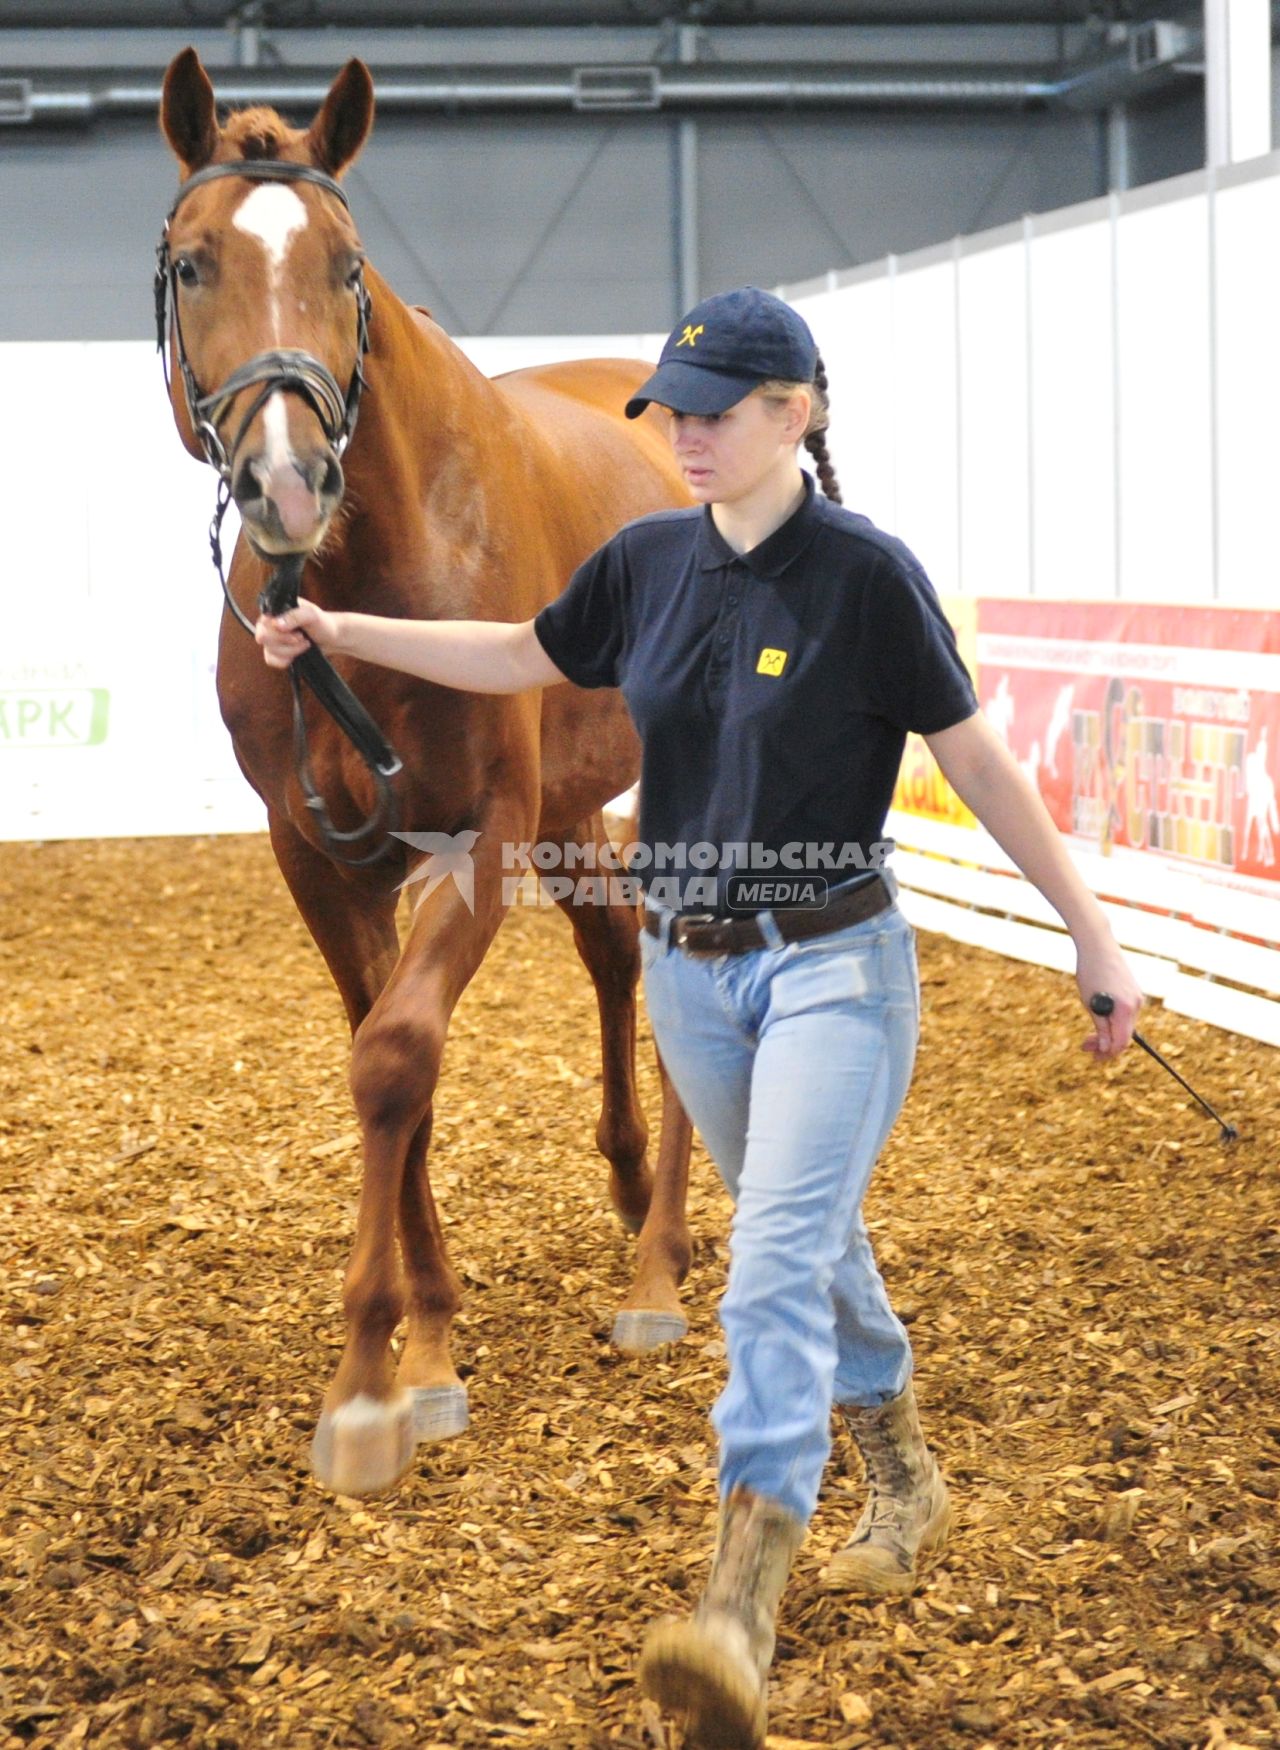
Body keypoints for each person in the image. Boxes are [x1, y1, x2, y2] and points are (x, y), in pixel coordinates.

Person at [256, 286, 1143, 1750]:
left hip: (834, 971)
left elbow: (975, 757)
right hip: (695, 981)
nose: (684, 434)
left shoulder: (867, 576)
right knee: (818, 1242)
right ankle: (905, 1461)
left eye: (714, 410)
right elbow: (523, 656)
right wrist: (340, 627)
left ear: (797, 413)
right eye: (672, 408)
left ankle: (737, 1603)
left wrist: (1090, 931)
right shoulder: (648, 560)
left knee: (770, 1268)